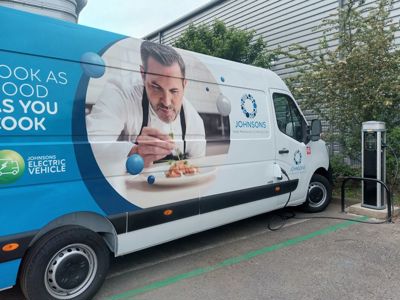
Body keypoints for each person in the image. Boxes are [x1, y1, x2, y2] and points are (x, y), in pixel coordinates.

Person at [86, 41, 206, 168]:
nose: (166, 102)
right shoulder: (122, 93)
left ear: (184, 85)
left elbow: (198, 169)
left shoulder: (194, 121)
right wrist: (134, 152)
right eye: (156, 87)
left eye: (174, 91)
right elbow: (90, 145)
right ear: (143, 75)